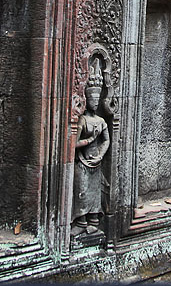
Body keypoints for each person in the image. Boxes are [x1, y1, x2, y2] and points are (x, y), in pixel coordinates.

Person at [71, 63, 110, 236]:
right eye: (92, 100)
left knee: (95, 192)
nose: (95, 103)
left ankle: (94, 220)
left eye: (97, 100)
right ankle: (81, 221)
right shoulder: (83, 121)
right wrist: (89, 140)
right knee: (82, 191)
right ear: (87, 100)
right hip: (82, 161)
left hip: (96, 161)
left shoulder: (101, 121)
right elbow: (74, 143)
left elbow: (107, 140)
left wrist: (100, 155)